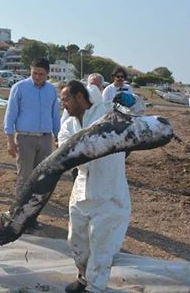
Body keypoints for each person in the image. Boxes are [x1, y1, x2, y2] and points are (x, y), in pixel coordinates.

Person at [58, 80, 130, 293]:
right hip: (81, 191)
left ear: (80, 97)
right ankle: (83, 277)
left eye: (66, 99)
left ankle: (95, 287)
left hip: (108, 193)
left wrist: (128, 103)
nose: (64, 104)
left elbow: (132, 115)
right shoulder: (68, 125)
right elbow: (65, 150)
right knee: (76, 240)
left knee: (101, 245)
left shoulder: (107, 112)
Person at [4, 57, 60, 230]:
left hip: (44, 139)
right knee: (24, 177)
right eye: (34, 73)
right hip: (24, 138)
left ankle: (32, 216)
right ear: (30, 70)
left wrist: (58, 136)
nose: (37, 76)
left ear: (47, 74)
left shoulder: (51, 90)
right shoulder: (19, 88)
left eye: (41, 74)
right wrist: (10, 141)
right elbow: (10, 114)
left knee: (40, 179)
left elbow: (55, 115)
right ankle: (18, 216)